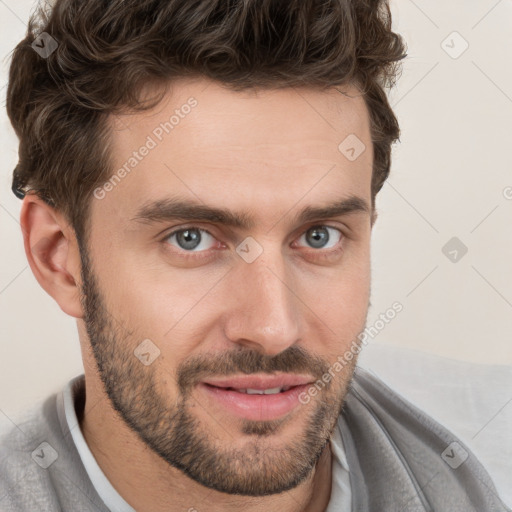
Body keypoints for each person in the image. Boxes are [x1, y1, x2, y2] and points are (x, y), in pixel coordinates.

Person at [1, 0, 509, 511]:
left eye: (319, 236)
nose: (273, 329)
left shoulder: (490, 459)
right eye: (192, 239)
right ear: (58, 258)